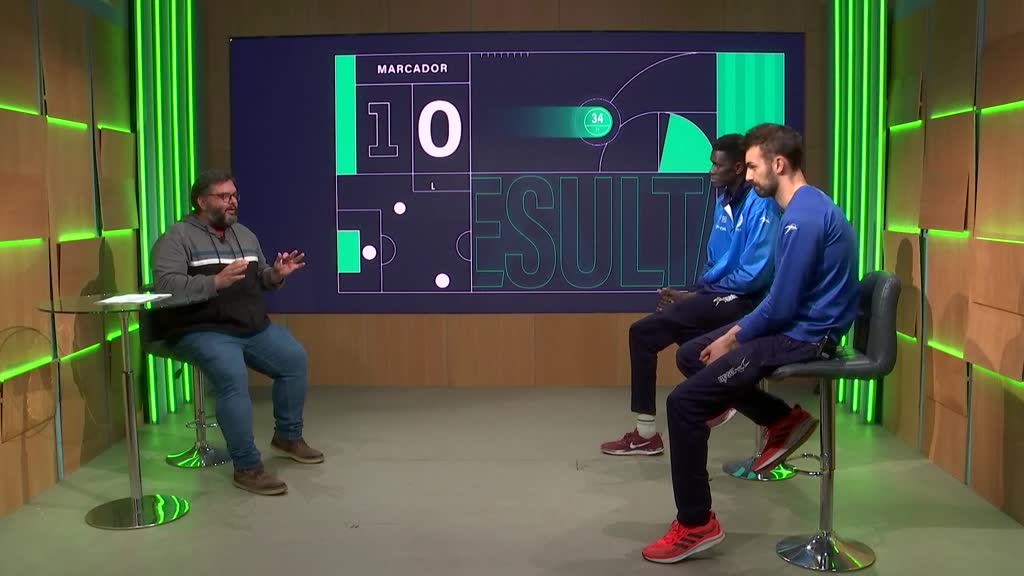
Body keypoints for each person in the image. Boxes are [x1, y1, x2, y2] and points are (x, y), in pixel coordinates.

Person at [640, 124, 860, 563]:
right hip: (794, 328)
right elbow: (781, 300)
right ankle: (782, 419)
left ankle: (696, 524)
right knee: (691, 354)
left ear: (778, 164)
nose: (750, 175)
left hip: (803, 338)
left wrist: (732, 337)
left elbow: (781, 306)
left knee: (683, 404)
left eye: (755, 167)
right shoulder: (803, 208)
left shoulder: (801, 219)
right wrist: (730, 336)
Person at [601, 134, 780, 456]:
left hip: (750, 301)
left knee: (650, 331)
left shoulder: (761, 203)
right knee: (659, 331)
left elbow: (756, 273)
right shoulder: (723, 201)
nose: (710, 170)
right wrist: (692, 294)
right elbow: (715, 262)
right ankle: (649, 431)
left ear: (738, 168)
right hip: (722, 294)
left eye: (717, 165)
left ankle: (727, 398)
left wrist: (698, 298)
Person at [150, 169, 322, 496]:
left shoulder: (244, 234)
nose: (232, 202)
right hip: (201, 329)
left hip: (251, 327)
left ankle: (287, 437)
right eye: (223, 196)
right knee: (232, 378)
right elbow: (166, 286)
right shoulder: (176, 237)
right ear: (201, 201)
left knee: (293, 359)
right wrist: (214, 282)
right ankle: (247, 467)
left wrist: (276, 275)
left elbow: (258, 280)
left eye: (234, 196)